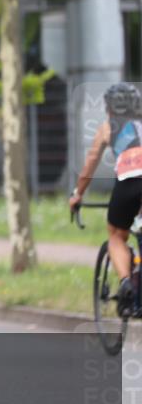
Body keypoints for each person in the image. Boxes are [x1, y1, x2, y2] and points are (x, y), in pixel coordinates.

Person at [70, 82, 142, 310]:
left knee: (116, 235)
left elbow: (90, 165)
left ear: (109, 107)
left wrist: (77, 194)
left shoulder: (107, 128)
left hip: (129, 181)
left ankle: (125, 282)